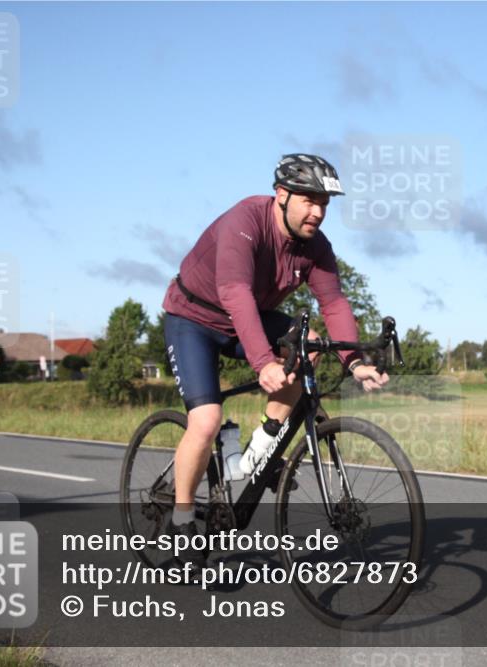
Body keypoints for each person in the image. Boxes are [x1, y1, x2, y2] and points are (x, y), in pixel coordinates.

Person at [160, 153, 389, 562]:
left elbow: (333, 302)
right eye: (309, 200)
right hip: (193, 319)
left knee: (312, 345)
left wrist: (355, 362)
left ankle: (261, 445)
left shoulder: (315, 247)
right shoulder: (244, 224)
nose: (318, 212)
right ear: (281, 195)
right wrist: (263, 362)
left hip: (247, 320)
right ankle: (179, 520)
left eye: (324, 204)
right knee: (207, 420)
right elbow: (235, 293)